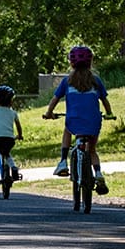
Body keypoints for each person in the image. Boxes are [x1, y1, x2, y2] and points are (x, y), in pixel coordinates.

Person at [44, 44, 113, 194]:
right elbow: (105, 101)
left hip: (74, 120)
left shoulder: (67, 81)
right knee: (92, 150)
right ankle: (98, 173)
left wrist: (49, 113)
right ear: (90, 62)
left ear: (71, 63)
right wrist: (109, 113)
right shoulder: (96, 81)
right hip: (93, 122)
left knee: (67, 129)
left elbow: (55, 99)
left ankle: (63, 161)